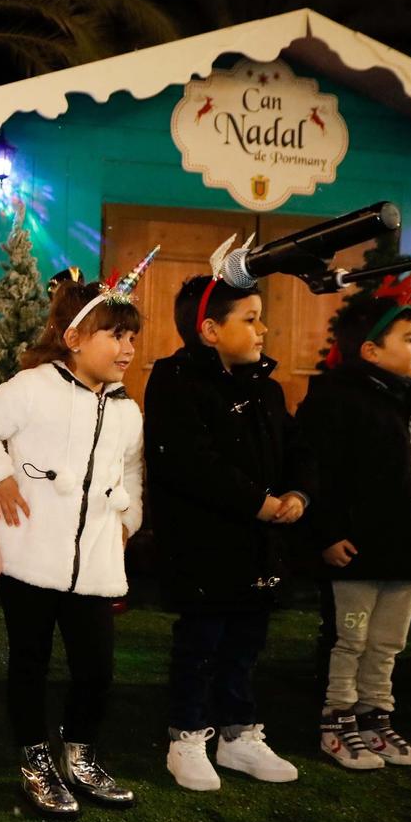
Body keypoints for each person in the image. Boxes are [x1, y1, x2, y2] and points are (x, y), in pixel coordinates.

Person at [0, 260, 148, 817]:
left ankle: (81, 754)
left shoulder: (127, 411)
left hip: (94, 563)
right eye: (114, 334)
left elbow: (133, 470)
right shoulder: (34, 387)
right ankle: (34, 761)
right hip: (31, 558)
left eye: (133, 337)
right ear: (74, 338)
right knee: (31, 661)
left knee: (97, 668)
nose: (127, 348)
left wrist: (127, 520)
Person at [143, 274, 308, 792]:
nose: (264, 329)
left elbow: (296, 450)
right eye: (251, 319)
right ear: (210, 330)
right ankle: (186, 736)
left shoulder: (267, 387)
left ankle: (238, 735)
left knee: (246, 642)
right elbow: (190, 461)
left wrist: (298, 495)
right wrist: (257, 503)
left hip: (259, 549)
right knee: (202, 642)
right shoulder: (174, 380)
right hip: (203, 545)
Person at [295, 287, 411, 771]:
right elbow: (313, 471)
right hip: (357, 552)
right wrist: (326, 533)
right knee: (351, 638)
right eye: (409, 339)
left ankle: (375, 717)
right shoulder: (334, 399)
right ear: (370, 349)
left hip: (409, 549)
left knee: (388, 641)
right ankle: (338, 719)